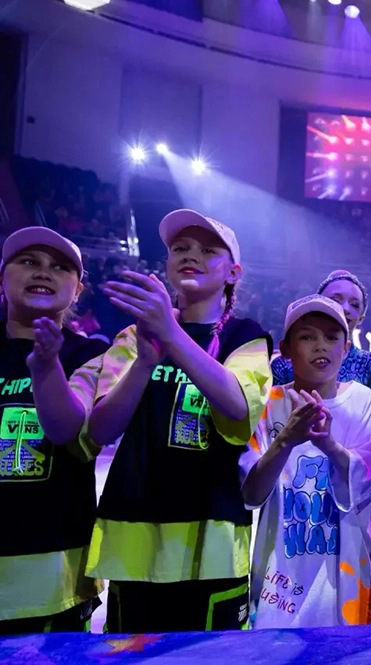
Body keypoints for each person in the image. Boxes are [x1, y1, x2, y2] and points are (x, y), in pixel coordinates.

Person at [87, 209, 273, 632]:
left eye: (208, 251)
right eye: (180, 248)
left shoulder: (245, 336)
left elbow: (238, 407)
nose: (191, 255)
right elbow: (101, 429)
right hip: (135, 540)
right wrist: (143, 363)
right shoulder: (133, 337)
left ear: (233, 273)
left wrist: (171, 334)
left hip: (212, 543)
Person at [242, 295, 371, 627]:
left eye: (332, 337)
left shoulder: (360, 400)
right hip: (282, 572)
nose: (321, 346)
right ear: (285, 349)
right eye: (307, 336)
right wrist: (286, 440)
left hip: (346, 567)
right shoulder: (268, 404)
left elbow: (366, 483)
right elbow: (251, 494)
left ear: (346, 348)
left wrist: (329, 444)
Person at [0, 228, 109, 634]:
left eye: (60, 267)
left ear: (78, 290)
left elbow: (68, 431)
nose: (43, 271)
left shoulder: (89, 354)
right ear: (2, 277)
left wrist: (46, 367)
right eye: (28, 261)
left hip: (54, 577)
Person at [272, 270, 371, 414]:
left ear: (361, 318)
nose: (345, 308)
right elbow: (274, 414)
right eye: (335, 300)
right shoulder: (284, 364)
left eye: (354, 304)